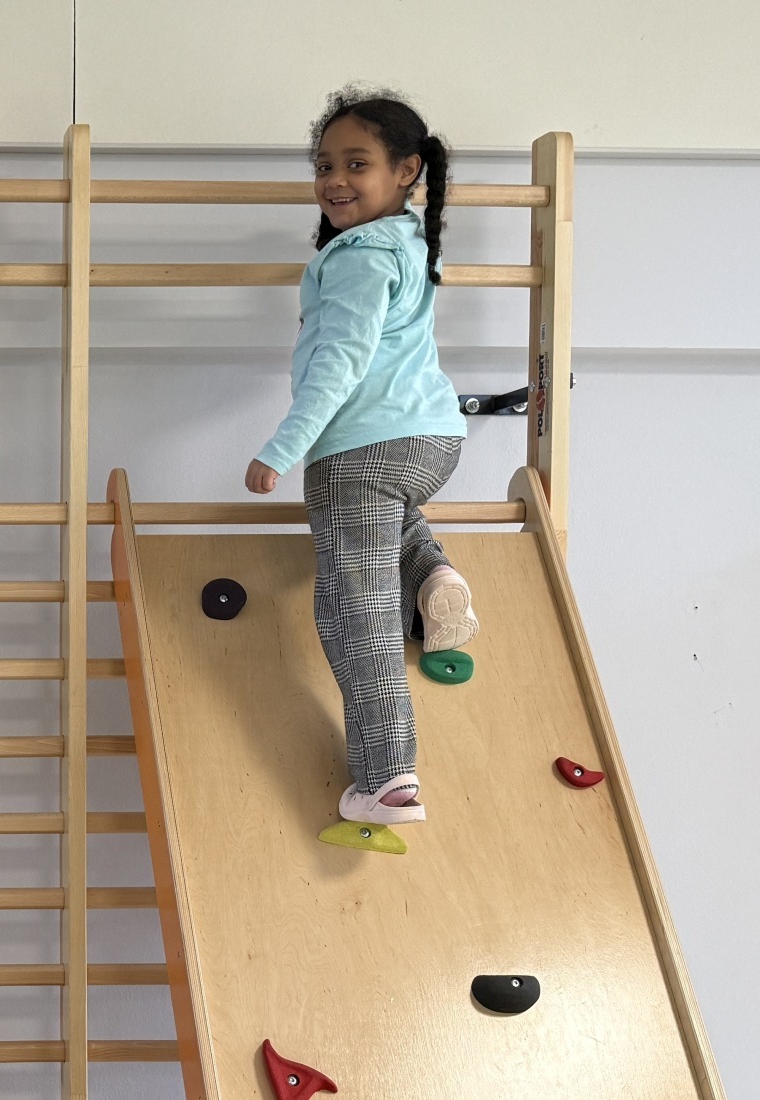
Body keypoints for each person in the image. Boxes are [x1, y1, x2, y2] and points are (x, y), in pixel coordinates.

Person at [246, 90, 475, 827]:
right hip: (432, 442)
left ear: (407, 170)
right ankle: (432, 571)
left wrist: (284, 447)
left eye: (357, 164)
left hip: (362, 447)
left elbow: (339, 365)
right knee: (386, 523)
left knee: (357, 614)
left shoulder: (357, 260)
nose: (334, 179)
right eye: (324, 165)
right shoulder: (406, 242)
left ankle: (386, 779)